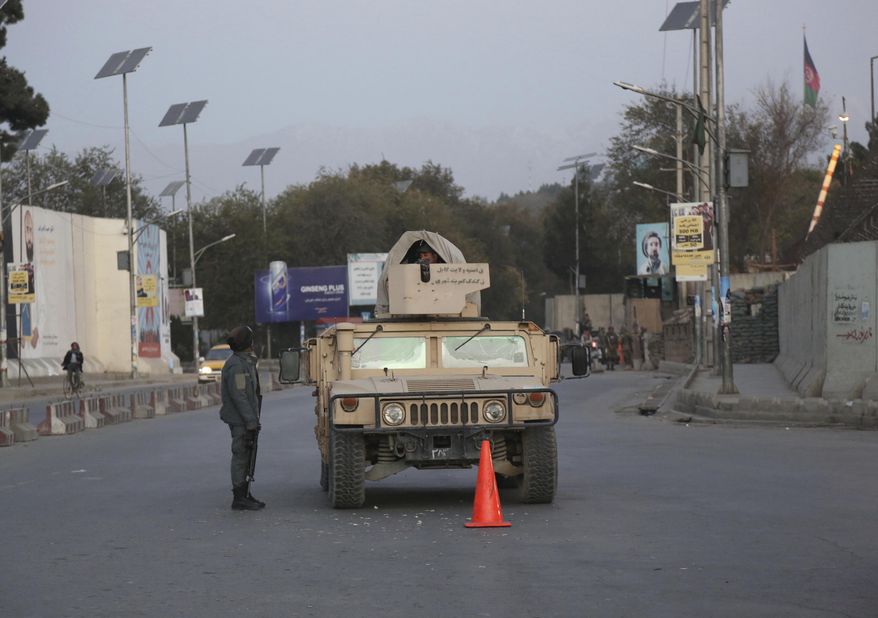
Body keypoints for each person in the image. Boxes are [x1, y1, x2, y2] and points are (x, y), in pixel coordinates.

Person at [219, 325, 265, 511]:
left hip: (246, 419)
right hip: (241, 421)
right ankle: (239, 497)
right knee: (241, 455)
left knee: (248, 455)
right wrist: (251, 421)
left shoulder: (244, 361)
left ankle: (245, 493)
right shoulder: (237, 366)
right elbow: (240, 396)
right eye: (251, 340)